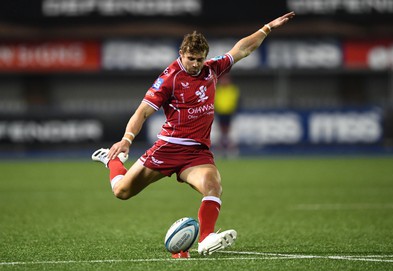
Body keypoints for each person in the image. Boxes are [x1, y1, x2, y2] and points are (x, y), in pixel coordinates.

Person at [92, 11, 295, 258]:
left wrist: (267, 28)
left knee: (213, 185)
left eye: (200, 59)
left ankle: (206, 238)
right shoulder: (169, 78)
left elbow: (242, 50)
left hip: (196, 152)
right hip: (168, 148)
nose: (196, 64)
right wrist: (126, 140)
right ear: (181, 55)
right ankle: (112, 160)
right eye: (191, 59)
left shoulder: (212, 70)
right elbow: (142, 112)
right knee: (122, 192)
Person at [214, 74, 240, 157]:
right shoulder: (217, 90)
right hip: (219, 114)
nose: (224, 81)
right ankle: (219, 150)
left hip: (230, 114)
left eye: (226, 79)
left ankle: (231, 151)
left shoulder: (233, 89)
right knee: (219, 134)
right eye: (223, 79)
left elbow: (237, 101)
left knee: (230, 134)